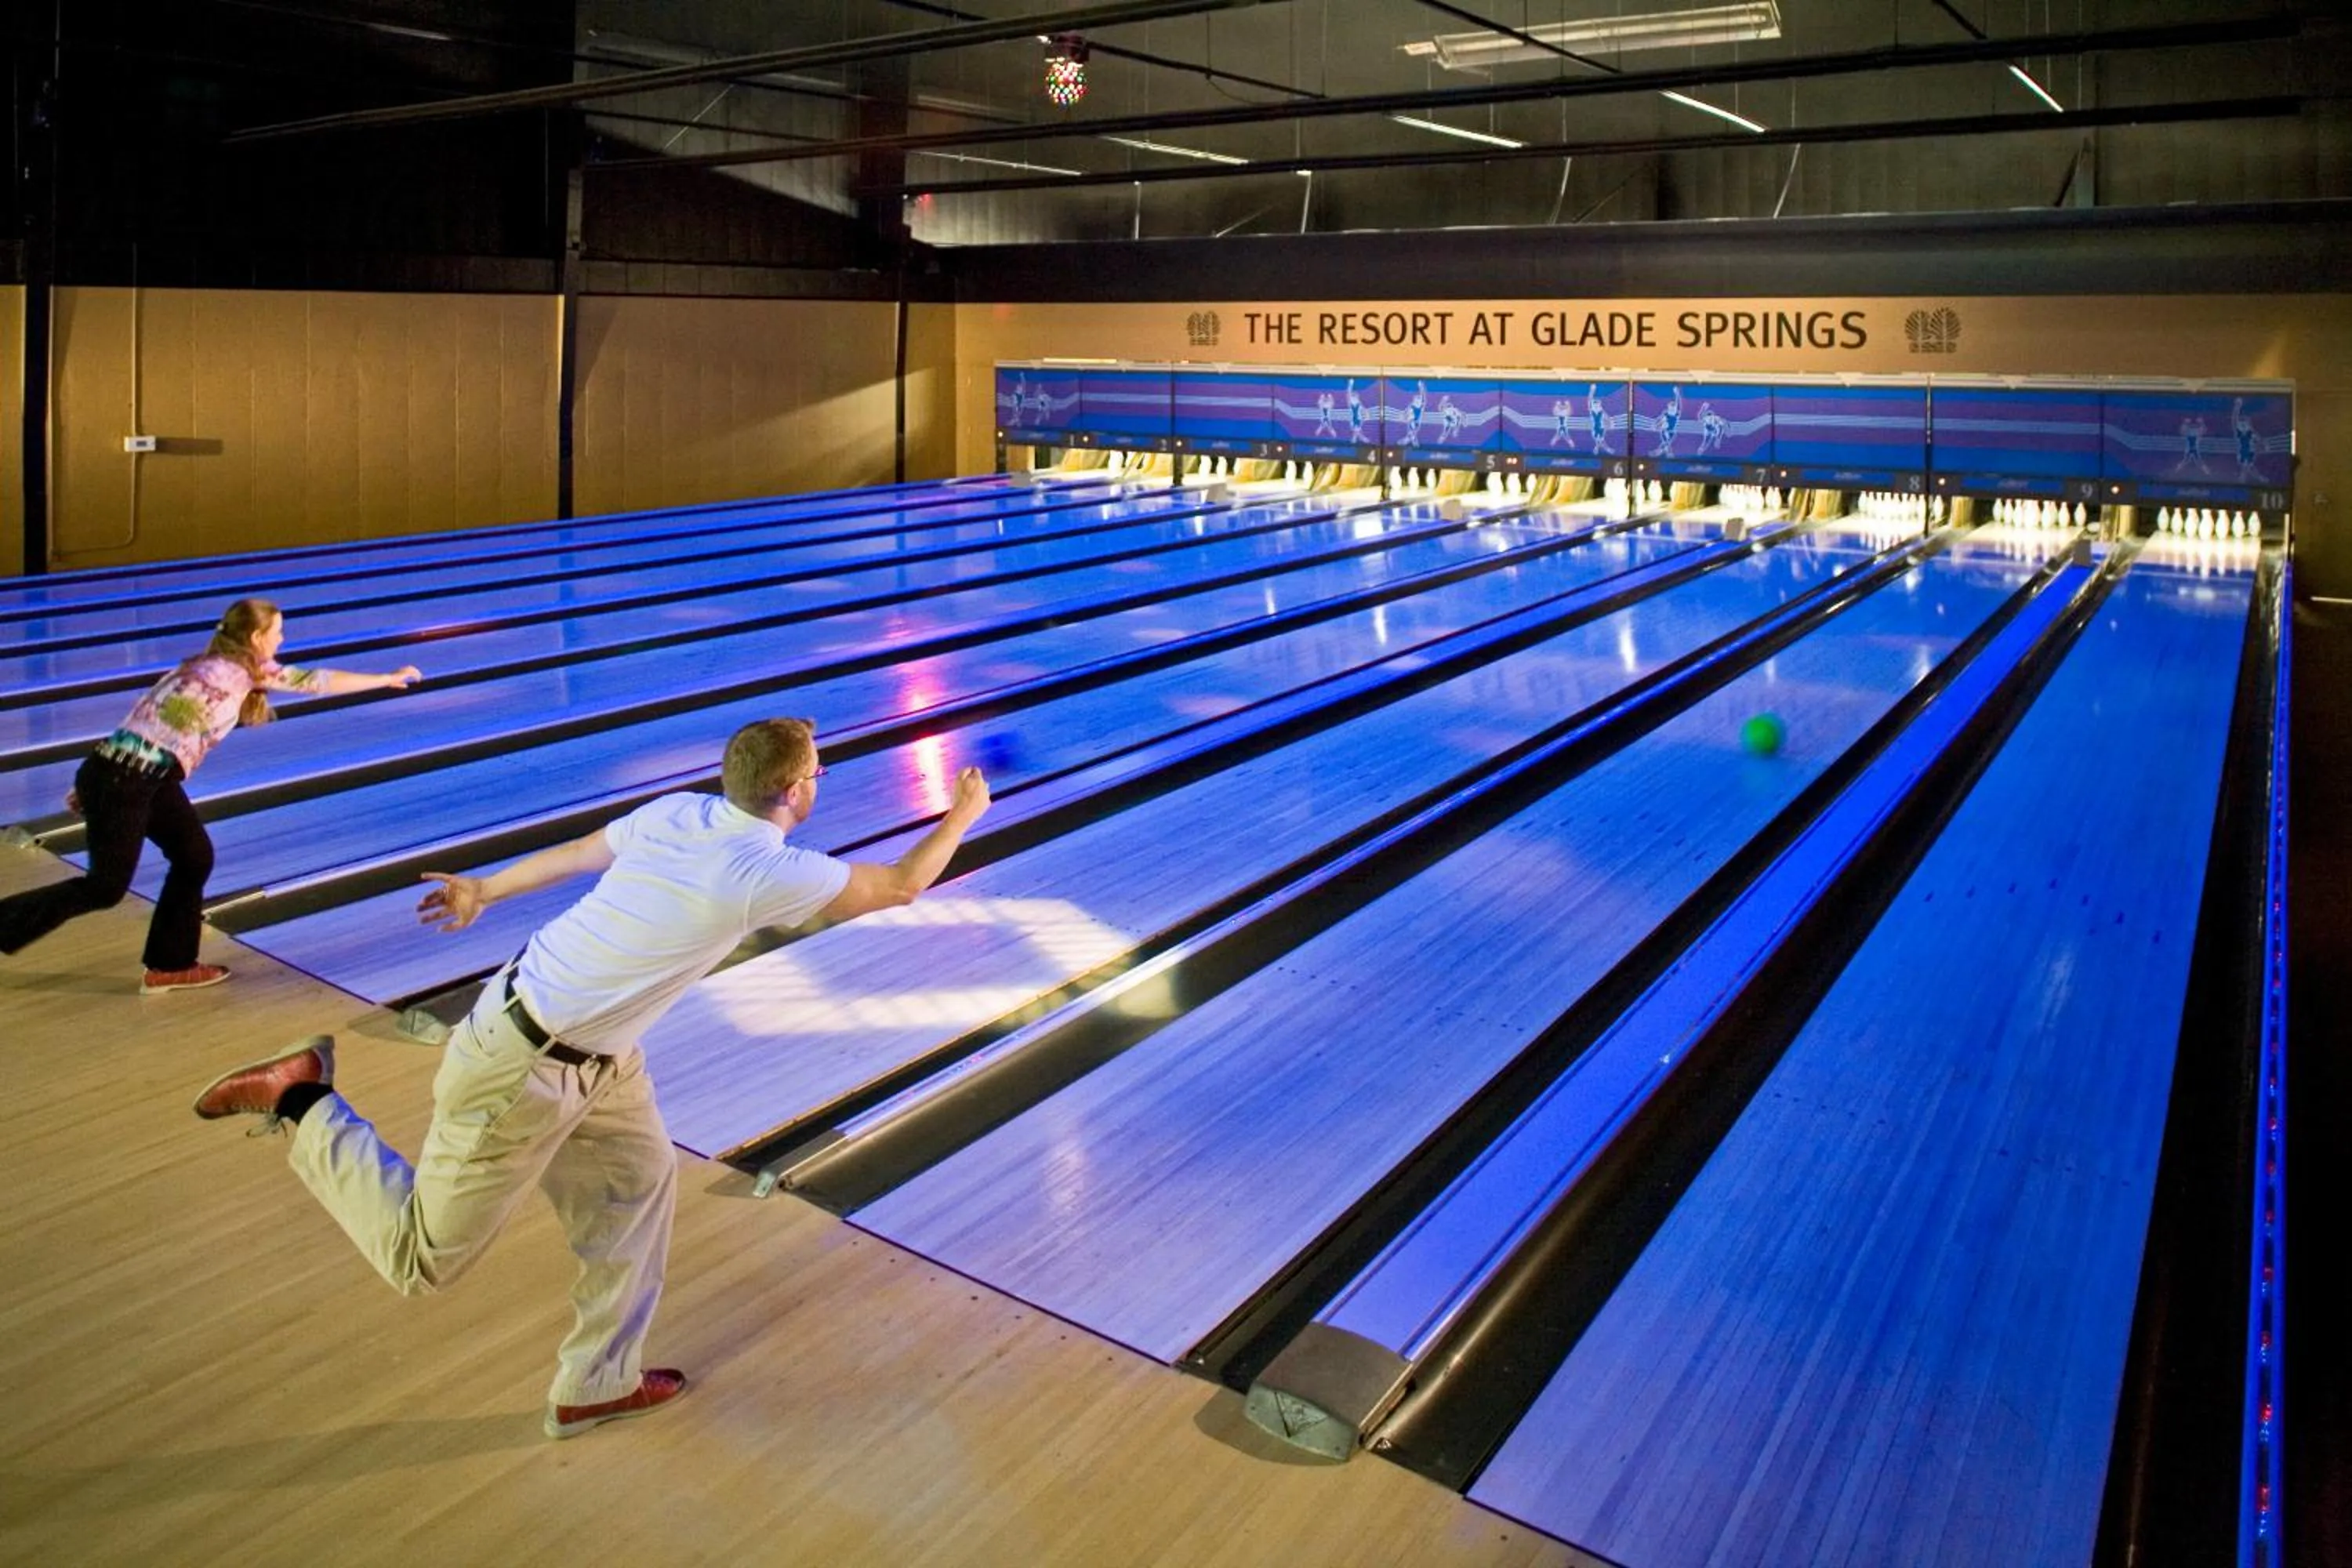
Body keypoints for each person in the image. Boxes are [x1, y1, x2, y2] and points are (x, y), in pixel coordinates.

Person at [191, 718, 991, 1440]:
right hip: (523, 1066)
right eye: (819, 771)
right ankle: (301, 1095)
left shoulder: (678, 811)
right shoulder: (760, 867)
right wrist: (961, 816)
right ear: (791, 790)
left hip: (596, 1049)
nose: (821, 780)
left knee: (642, 1183)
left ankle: (595, 1383)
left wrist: (485, 886)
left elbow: (580, 854)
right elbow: (899, 884)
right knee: (421, 1258)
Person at [0, 597, 421, 991]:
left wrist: (94, 778)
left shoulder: (205, 666)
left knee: (193, 856)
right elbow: (315, 681)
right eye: (278, 633)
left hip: (134, 774)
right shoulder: (235, 672)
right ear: (256, 639)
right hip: (128, 777)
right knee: (105, 888)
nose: (282, 640)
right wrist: (385, 678)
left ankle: (170, 964)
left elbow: (144, 714)